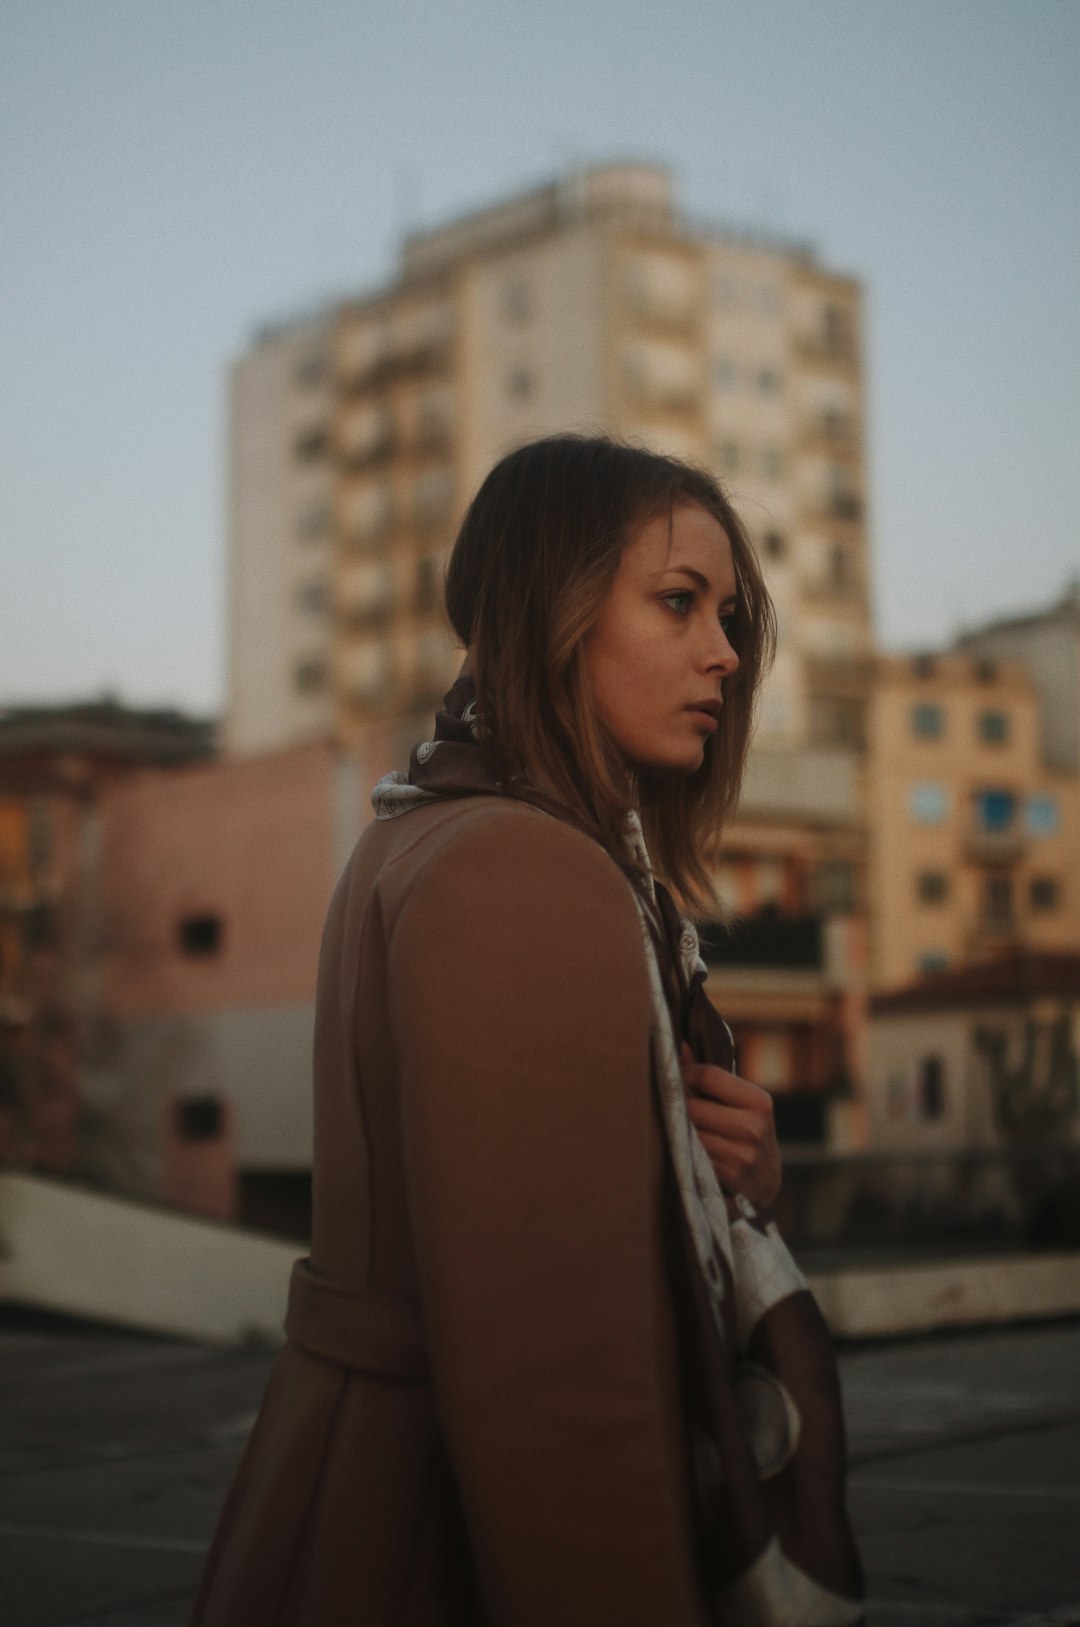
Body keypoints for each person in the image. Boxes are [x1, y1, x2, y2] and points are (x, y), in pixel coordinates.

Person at [190, 434, 864, 1626]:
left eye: (730, 613)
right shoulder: (523, 870)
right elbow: (561, 1396)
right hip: (438, 1537)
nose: (726, 651)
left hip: (367, 1506)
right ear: (552, 609)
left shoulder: (430, 825)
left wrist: (733, 1177)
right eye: (678, 602)